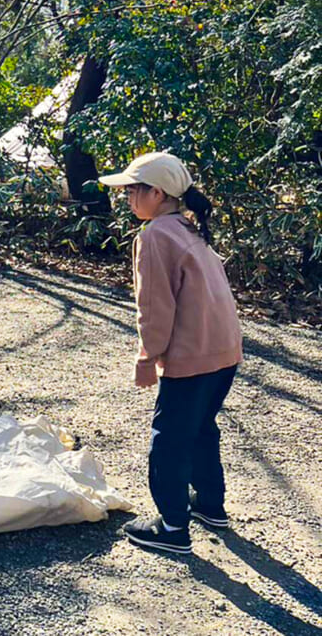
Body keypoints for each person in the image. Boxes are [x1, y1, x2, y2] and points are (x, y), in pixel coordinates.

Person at [99, 152, 242, 555]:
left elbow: (156, 307)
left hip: (191, 356)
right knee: (201, 427)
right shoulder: (189, 228)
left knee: (169, 440)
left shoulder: (155, 236)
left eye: (131, 191)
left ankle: (173, 526)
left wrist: (148, 357)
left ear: (156, 193)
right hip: (224, 351)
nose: (127, 198)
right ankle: (210, 505)